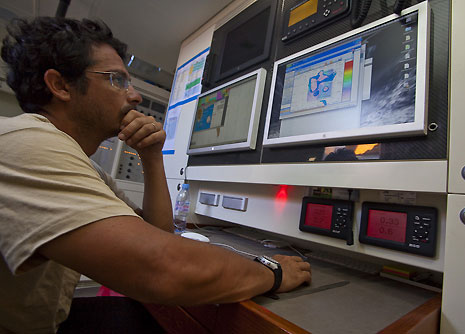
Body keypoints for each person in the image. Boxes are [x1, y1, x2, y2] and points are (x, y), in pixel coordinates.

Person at [0, 17, 312, 333]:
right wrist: (271, 272)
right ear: (61, 85)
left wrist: (151, 157)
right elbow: (165, 266)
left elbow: (158, 233)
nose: (134, 96)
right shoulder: (27, 143)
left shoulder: (83, 166)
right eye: (116, 80)